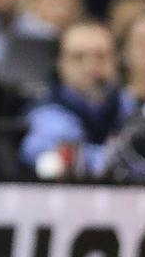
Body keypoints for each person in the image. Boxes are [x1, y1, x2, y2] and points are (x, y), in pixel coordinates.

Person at [21, 21, 136, 175]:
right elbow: (39, 152)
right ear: (60, 64)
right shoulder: (46, 112)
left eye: (101, 56)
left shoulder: (130, 105)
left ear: (116, 61)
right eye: (78, 58)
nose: (91, 67)